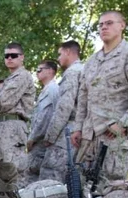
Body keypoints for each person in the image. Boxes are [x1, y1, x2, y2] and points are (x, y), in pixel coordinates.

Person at [71, 10, 128, 188]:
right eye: (100, 25)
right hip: (88, 137)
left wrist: (124, 123)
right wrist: (77, 128)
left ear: (122, 25)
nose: (104, 27)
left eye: (109, 23)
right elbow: (83, 96)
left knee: (108, 191)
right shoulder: (93, 61)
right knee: (78, 190)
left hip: (114, 137)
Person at [0, 42, 36, 171]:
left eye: (13, 55)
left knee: (13, 172)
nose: (9, 58)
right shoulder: (9, 80)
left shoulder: (23, 76)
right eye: (7, 56)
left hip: (14, 126)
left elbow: (4, 101)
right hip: (0, 126)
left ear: (22, 57)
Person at [40, 40, 85, 181]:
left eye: (60, 54)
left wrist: (50, 137)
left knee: (51, 179)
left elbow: (64, 107)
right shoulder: (85, 70)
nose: (58, 59)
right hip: (79, 132)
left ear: (67, 52)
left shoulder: (72, 72)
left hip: (66, 135)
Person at [24, 60, 60, 184]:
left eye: (40, 69)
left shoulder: (52, 89)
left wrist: (32, 138)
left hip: (41, 143)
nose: (37, 72)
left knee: (32, 178)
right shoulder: (47, 90)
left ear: (50, 71)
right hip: (41, 142)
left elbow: (45, 117)